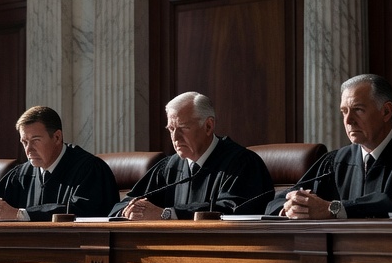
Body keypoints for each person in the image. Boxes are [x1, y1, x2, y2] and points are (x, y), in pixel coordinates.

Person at [268, 74, 392, 218]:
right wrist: (292, 206)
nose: (348, 120)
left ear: (386, 111)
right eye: (344, 111)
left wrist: (334, 209)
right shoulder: (335, 162)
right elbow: (275, 203)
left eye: (358, 110)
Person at [113, 92, 273, 219]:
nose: (175, 138)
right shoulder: (169, 167)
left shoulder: (243, 164)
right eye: (171, 129)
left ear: (208, 126)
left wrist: (168, 214)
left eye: (183, 128)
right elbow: (123, 205)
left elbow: (231, 211)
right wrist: (131, 211)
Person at [0, 106, 118, 220]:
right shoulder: (22, 173)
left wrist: (20, 215)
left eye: (35, 140)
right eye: (24, 142)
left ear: (57, 137)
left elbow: (84, 212)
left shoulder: (90, 169)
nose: (28, 149)